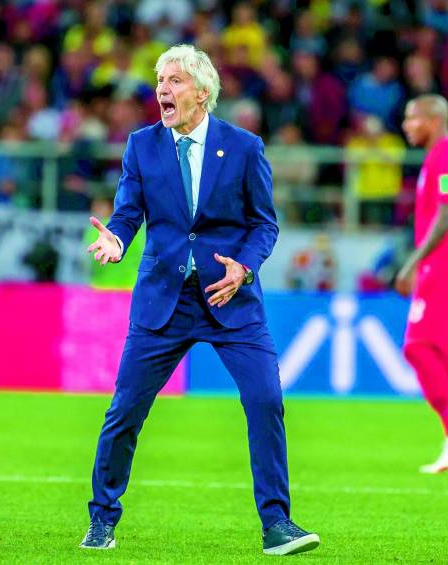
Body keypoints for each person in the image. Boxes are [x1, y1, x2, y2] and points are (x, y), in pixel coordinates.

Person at [80, 44, 319, 556]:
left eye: (174, 81)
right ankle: (101, 520)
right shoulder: (142, 145)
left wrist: (244, 266)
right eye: (159, 80)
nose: (162, 89)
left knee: (266, 402)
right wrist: (117, 239)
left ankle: (277, 525)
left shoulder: (244, 147)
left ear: (202, 93)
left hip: (230, 296)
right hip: (163, 300)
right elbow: (128, 211)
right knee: (125, 410)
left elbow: (264, 224)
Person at [395, 95, 448, 474]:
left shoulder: (444, 155)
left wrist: (413, 262)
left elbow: (447, 214)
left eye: (412, 118)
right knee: (443, 355)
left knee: (418, 347)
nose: (406, 125)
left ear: (432, 120)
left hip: (446, 265)